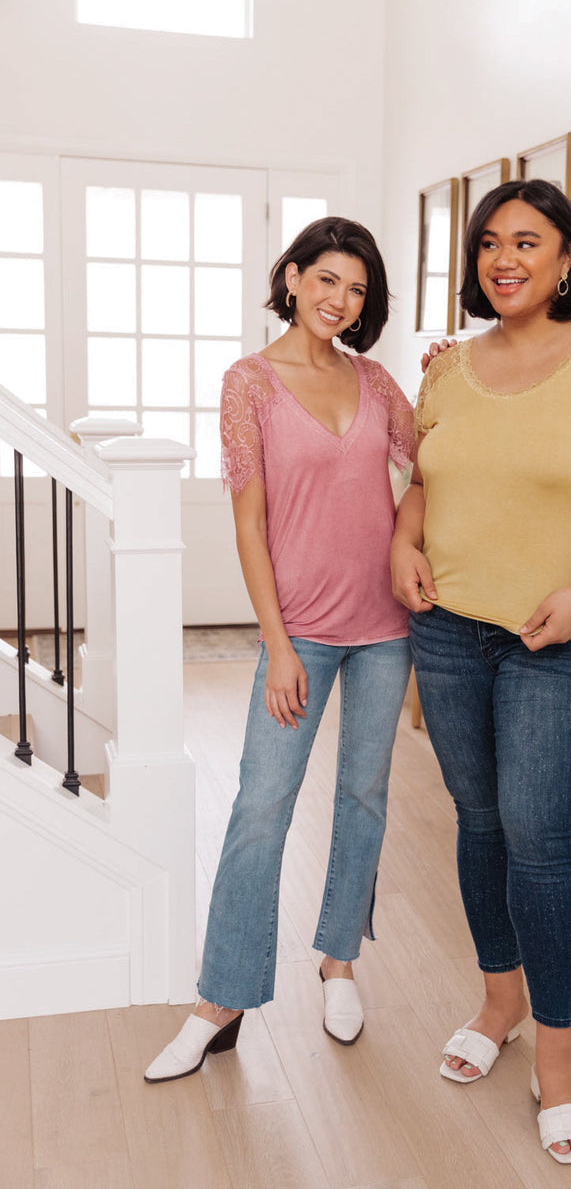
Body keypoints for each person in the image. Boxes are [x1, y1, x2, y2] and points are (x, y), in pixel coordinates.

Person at [391, 179, 571, 1165]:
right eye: (486, 244)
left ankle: (556, 1060)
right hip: (449, 633)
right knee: (478, 824)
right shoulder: (445, 371)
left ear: (565, 257)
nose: (501, 257)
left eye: (525, 240)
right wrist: (402, 545)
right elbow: (423, 485)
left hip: (560, 636)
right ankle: (497, 999)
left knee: (541, 836)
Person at [145, 217, 413, 1083]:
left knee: (364, 797)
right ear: (292, 277)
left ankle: (339, 962)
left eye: (358, 289)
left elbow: (436, 461)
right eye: (328, 281)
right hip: (300, 630)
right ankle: (218, 1001)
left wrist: (451, 376)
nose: (341, 301)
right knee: (261, 808)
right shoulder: (249, 383)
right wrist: (278, 642)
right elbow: (249, 523)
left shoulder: (377, 382)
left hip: (387, 628)